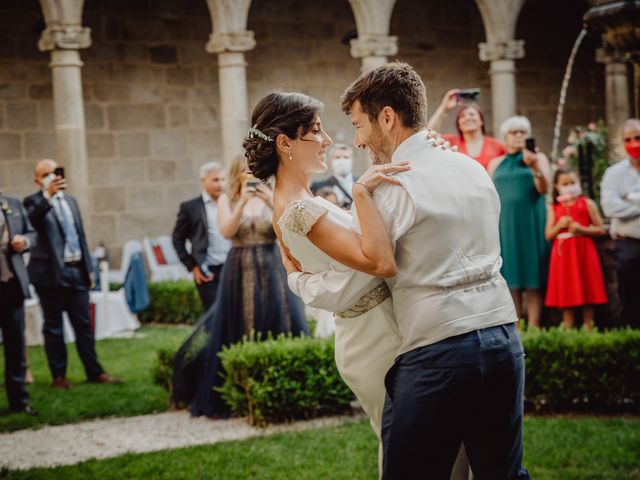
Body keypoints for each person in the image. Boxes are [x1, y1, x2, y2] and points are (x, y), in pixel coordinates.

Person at [281, 63, 529, 479]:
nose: (357, 141)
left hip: (439, 353)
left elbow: (350, 286)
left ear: (388, 118)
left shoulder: (390, 187)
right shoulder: (471, 167)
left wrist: (296, 278)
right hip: (505, 340)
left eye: (359, 125)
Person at [171, 156, 309, 418]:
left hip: (271, 265)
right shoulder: (228, 199)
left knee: (278, 316)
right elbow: (226, 230)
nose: (252, 174)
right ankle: (243, 386)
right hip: (240, 266)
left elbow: (286, 228)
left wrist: (271, 200)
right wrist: (243, 201)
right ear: (237, 174)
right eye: (246, 171)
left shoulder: (275, 194)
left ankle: (281, 386)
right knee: (244, 320)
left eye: (255, 170)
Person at [23, 159, 120, 389]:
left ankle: (94, 371)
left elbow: (80, 237)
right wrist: (47, 196)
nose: (52, 177)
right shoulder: (33, 202)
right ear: (38, 179)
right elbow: (31, 222)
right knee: (54, 326)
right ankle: (59, 376)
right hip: (50, 274)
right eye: (46, 174)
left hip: (76, 270)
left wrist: (89, 270)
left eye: (55, 172)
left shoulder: (71, 202)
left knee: (84, 324)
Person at [488, 116, 551, 329]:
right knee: (510, 276)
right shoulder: (496, 163)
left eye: (522, 132)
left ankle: (534, 326)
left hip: (531, 221)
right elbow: (488, 195)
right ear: (505, 137)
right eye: (513, 132)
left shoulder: (538, 158)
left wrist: (534, 166)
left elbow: (544, 189)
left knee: (532, 275)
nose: (518, 136)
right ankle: (515, 326)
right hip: (505, 223)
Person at [544, 168, 607, 329]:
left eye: (573, 183)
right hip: (564, 255)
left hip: (584, 251)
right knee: (567, 289)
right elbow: (548, 234)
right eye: (565, 184)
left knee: (588, 288)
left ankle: (589, 327)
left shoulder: (587, 203)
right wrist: (559, 225)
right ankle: (568, 327)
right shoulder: (554, 208)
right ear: (557, 186)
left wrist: (583, 230)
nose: (569, 186)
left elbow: (601, 229)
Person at [172, 162, 231, 310]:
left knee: (235, 315)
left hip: (232, 267)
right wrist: (192, 267)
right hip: (207, 270)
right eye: (215, 180)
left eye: (223, 179)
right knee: (213, 315)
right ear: (203, 180)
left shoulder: (233, 204)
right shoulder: (190, 207)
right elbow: (177, 239)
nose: (221, 184)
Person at [601, 118, 640, 328]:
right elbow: (609, 207)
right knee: (630, 297)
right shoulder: (614, 173)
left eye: (638, 138)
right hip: (629, 244)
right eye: (628, 139)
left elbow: (620, 205)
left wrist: (630, 199)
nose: (634, 143)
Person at [0, 192, 37, 415]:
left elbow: (32, 232)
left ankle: (19, 401)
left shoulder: (11, 203)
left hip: (11, 284)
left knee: (15, 345)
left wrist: (25, 241)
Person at [427, 89, 506, 169]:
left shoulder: (497, 145)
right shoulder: (451, 142)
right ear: (459, 124)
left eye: (471, 114)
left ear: (481, 121)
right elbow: (430, 134)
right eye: (462, 116)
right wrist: (444, 107)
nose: (467, 118)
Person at [310, 143, 356, 209]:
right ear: (330, 161)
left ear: (352, 161)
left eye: (346, 157)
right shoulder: (318, 186)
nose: (342, 160)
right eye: (337, 157)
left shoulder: (363, 183)